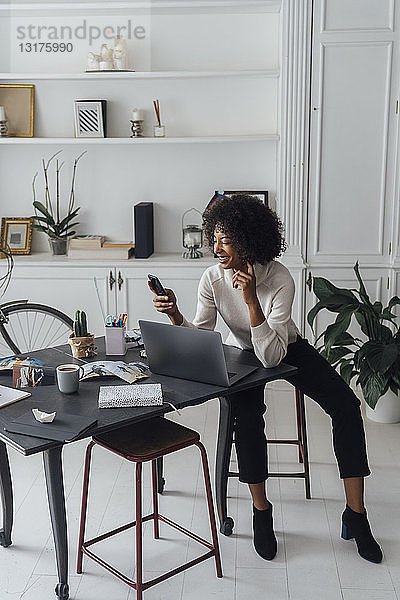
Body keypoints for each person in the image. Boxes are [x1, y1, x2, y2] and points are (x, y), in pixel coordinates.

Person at [148, 194, 383, 564]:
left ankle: (356, 515)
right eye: (215, 239)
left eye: (226, 240)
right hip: (240, 353)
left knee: (347, 406)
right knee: (248, 418)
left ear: (249, 240)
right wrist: (177, 316)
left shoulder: (279, 278)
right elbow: (202, 335)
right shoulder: (212, 279)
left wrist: (251, 298)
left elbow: (273, 355)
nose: (217, 248)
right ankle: (261, 511)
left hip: (284, 346)